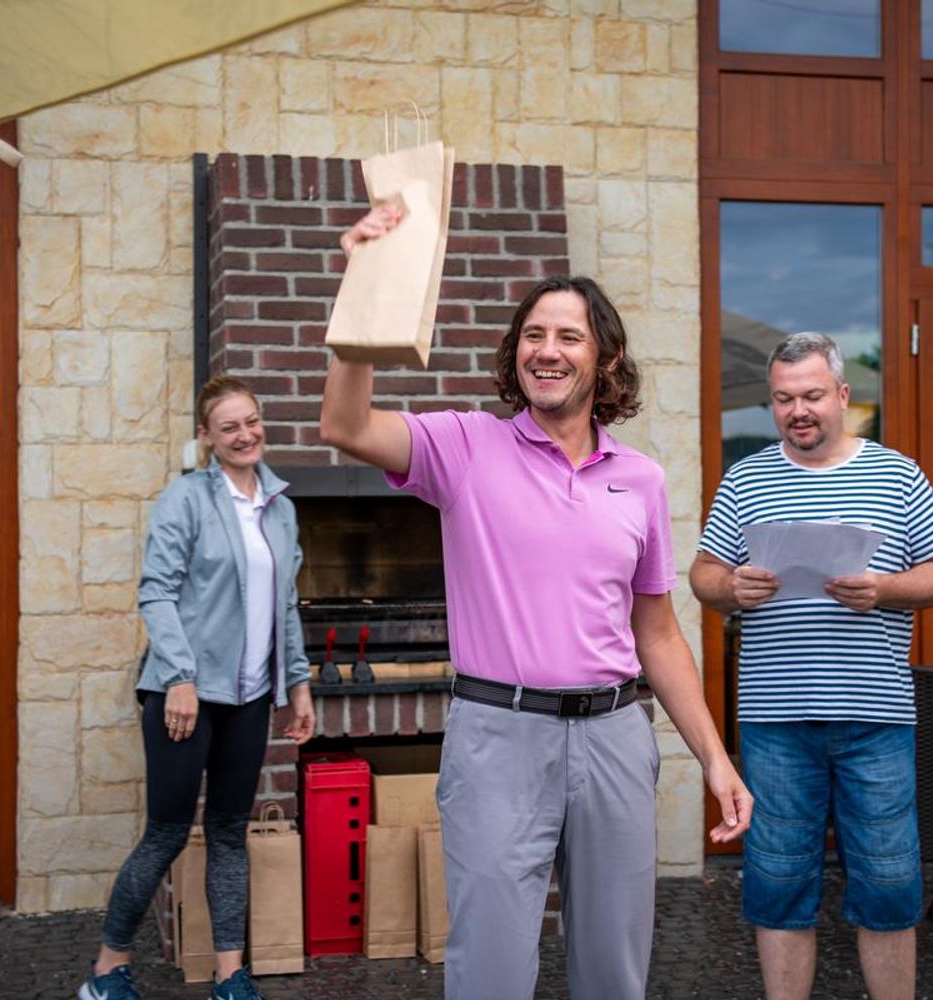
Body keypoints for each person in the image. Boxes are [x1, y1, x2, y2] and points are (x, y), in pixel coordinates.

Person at [320, 206, 751, 1000]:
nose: (546, 350)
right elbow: (344, 425)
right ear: (515, 352)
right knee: (488, 973)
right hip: (499, 737)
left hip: (616, 736)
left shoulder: (641, 480)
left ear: (605, 360)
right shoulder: (464, 447)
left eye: (568, 336)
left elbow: (658, 633)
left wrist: (715, 758)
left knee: (614, 973)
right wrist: (365, 284)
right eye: (533, 335)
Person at [690, 332, 933, 1000]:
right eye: (783, 399)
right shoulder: (746, 478)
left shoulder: (898, 475)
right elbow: (703, 575)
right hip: (776, 720)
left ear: (843, 395)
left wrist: (886, 589)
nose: (797, 411)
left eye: (811, 395)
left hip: (877, 717)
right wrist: (732, 588)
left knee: (890, 882)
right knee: (779, 882)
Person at [79, 375, 315, 1000]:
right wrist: (179, 677)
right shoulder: (185, 499)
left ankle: (230, 975)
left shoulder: (280, 507)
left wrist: (297, 683)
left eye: (252, 421)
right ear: (207, 437)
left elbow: (286, 605)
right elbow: (156, 592)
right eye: (229, 427)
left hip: (249, 697)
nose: (245, 435)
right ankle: (106, 971)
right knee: (166, 832)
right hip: (182, 696)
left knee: (230, 831)